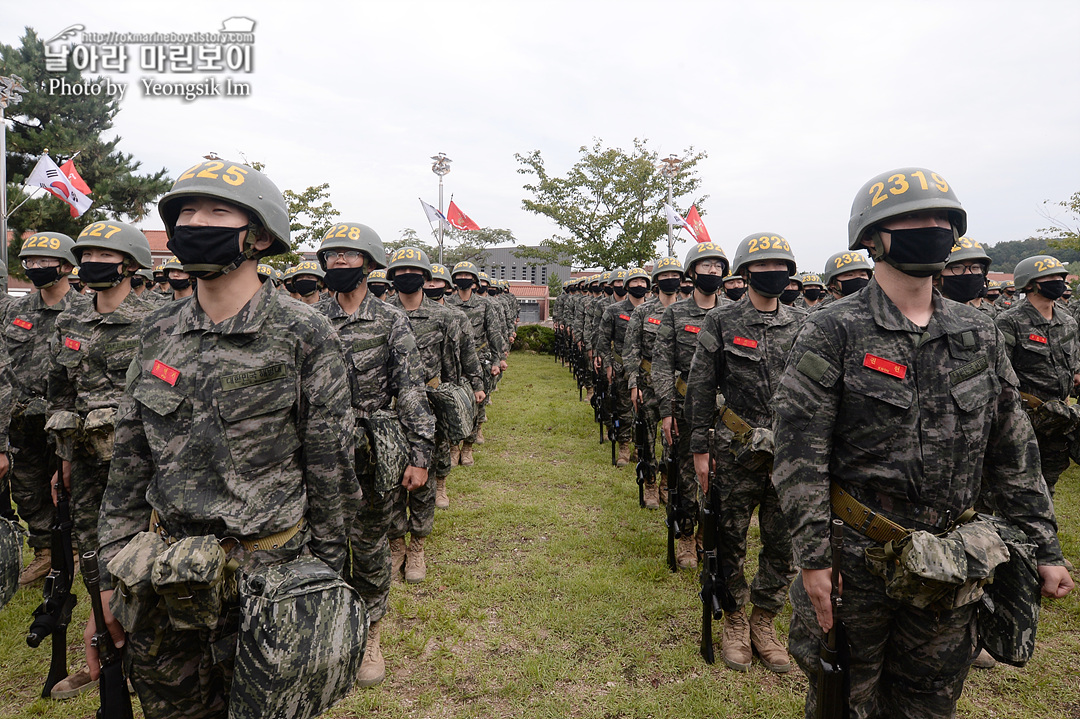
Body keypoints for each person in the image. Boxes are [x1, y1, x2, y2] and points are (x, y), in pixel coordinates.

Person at [772, 167, 1073, 719]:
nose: (931, 228)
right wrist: (813, 560)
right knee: (845, 702)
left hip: (952, 559)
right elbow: (798, 453)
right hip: (856, 559)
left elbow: (1014, 450)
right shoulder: (832, 329)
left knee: (929, 704)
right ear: (871, 237)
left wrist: (1044, 547)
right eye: (912, 220)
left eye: (942, 220)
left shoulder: (977, 332)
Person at [87, 159, 358, 718]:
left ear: (258, 235)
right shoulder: (157, 331)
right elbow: (129, 466)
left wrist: (326, 583)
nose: (193, 222)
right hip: (163, 579)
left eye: (215, 211)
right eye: (184, 212)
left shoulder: (304, 333)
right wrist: (109, 579)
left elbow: (330, 467)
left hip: (268, 580)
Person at [314, 222, 434, 687]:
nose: (337, 262)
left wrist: (420, 454)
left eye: (348, 255)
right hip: (318, 454)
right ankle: (324, 631)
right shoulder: (308, 320)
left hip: (370, 453)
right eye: (331, 255)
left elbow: (410, 391)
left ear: (367, 263)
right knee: (320, 547)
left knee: (368, 545)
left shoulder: (389, 320)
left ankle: (370, 633)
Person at [43, 220, 157, 699]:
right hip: (87, 464)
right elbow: (59, 392)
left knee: (143, 560)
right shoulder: (70, 320)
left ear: (129, 264)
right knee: (95, 557)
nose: (91, 263)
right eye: (86, 255)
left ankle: (141, 657)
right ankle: (106, 652)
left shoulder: (156, 319)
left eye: (104, 256)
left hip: (142, 463)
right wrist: (63, 460)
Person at [686, 232, 802, 674]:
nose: (773, 272)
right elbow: (700, 388)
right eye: (763, 265)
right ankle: (734, 618)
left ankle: (764, 621)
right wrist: (700, 448)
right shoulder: (722, 322)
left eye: (780, 266)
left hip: (788, 456)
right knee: (729, 538)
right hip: (734, 454)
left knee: (783, 542)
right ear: (747, 272)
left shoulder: (802, 324)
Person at [5, 232, 90, 585]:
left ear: (67, 266)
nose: (35, 268)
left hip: (63, 419)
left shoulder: (84, 311)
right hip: (21, 417)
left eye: (44, 262)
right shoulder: (16, 310)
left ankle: (74, 550)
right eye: (30, 262)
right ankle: (44, 553)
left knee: (69, 488)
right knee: (26, 489)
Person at [386, 247, 474, 583]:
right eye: (400, 271)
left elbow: (453, 362)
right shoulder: (382, 314)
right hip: (389, 410)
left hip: (428, 406)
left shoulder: (444, 317)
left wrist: (461, 398)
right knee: (391, 480)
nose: (406, 277)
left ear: (426, 277)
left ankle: (418, 546)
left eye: (413, 271)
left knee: (422, 477)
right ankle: (396, 545)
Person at [652, 242, 727, 569]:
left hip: (725, 415)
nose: (712, 272)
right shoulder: (675, 313)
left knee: (720, 478)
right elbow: (662, 363)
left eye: (717, 267)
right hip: (684, 408)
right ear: (693, 271)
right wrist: (666, 410)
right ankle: (685, 535)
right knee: (685, 476)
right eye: (706, 266)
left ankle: (705, 536)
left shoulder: (729, 315)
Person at [995, 254, 1080, 499]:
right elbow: (1001, 374)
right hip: (1025, 419)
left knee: (1049, 479)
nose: (1059, 282)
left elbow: (1071, 365)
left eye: (1061, 277)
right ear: (1030, 283)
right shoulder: (1010, 321)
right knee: (1019, 486)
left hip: (1060, 419)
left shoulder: (1067, 321)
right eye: (1051, 277)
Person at [624, 257, 684, 508]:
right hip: (647, 384)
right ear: (657, 280)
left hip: (678, 386)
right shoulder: (643, 312)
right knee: (647, 437)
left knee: (675, 439)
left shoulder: (687, 311)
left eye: (675, 275)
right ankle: (649, 480)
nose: (671, 279)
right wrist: (633, 383)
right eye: (665, 275)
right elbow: (631, 350)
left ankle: (667, 481)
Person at [424, 263, 484, 508]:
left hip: (443, 387)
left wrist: (477, 384)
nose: (432, 285)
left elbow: (468, 353)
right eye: (429, 281)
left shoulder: (456, 316)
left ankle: (440, 485)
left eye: (437, 282)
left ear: (446, 286)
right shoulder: (394, 312)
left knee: (440, 438)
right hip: (405, 389)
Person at [446, 261, 505, 466]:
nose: (463, 279)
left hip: (479, 360)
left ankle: (468, 447)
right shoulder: (446, 303)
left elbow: (494, 333)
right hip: (452, 363)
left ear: (474, 282)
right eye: (459, 275)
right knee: (451, 404)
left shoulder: (484, 304)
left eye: (467, 276)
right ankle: (454, 447)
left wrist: (498, 359)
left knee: (476, 402)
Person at [598, 268, 649, 466]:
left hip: (647, 370)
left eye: (643, 282)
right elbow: (603, 341)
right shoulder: (613, 311)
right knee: (624, 409)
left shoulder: (653, 310)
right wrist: (608, 365)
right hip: (621, 368)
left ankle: (640, 446)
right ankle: (624, 447)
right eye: (635, 282)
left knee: (644, 411)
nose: (639, 286)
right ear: (627, 285)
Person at [939, 237, 996, 318]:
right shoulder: (924, 320)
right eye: (957, 268)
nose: (968, 273)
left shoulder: (984, 321)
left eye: (975, 267)